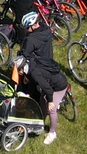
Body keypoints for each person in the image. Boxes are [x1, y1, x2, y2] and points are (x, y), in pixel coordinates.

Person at [21, 12, 66, 145]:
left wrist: (51, 101)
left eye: (27, 28)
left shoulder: (31, 41)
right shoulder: (46, 30)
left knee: (50, 108)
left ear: (34, 26)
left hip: (56, 86)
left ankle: (52, 132)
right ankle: (40, 120)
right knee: (42, 99)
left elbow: (48, 89)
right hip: (48, 65)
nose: (26, 30)